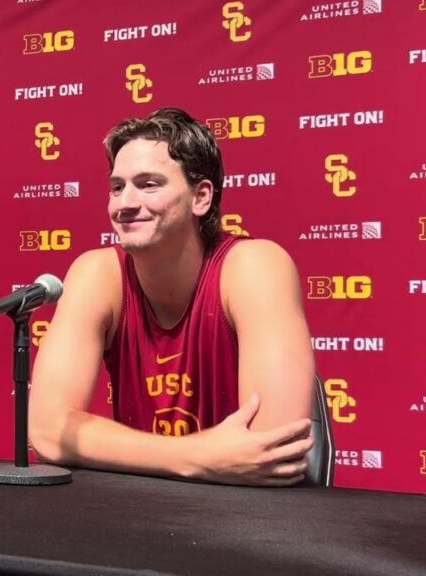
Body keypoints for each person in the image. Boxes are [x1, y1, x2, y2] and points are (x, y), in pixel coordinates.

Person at [29, 108, 315, 486]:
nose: (125, 203)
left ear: (201, 197)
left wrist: (125, 451)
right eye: (117, 187)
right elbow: (48, 431)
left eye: (149, 185)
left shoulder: (253, 266)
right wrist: (199, 456)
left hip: (251, 517)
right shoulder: (97, 273)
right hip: (143, 504)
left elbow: (269, 448)